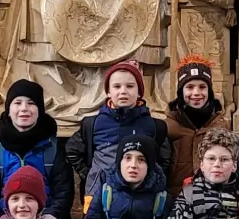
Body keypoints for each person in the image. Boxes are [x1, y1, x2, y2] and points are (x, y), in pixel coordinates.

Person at [66, 60, 172, 202]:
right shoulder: (93, 123)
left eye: (130, 86)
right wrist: (91, 173)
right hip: (98, 195)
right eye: (117, 86)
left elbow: (164, 158)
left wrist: (149, 177)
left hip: (140, 199)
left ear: (139, 92)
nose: (123, 91)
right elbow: (72, 150)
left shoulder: (153, 126)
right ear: (108, 92)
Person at [0, 79, 75, 219]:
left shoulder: (52, 148)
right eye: (17, 103)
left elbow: (64, 192)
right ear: (8, 111)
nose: (24, 108)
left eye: (31, 103)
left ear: (40, 111)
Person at [164, 57, 229, 194]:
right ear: (181, 92)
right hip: (176, 200)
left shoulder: (222, 126)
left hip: (212, 200)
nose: (196, 93)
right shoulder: (169, 126)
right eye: (190, 87)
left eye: (202, 87)